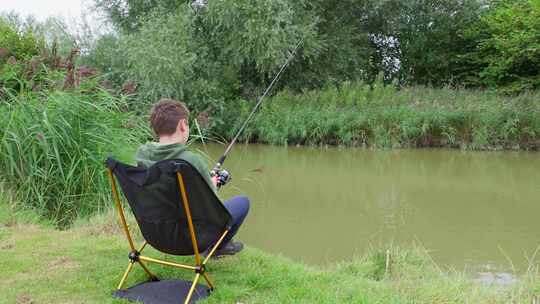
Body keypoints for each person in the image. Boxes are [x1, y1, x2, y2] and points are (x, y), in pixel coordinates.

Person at [135, 98, 249, 257]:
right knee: (243, 202)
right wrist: (213, 184)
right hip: (189, 240)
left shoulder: (142, 154)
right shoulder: (190, 161)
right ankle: (218, 248)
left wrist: (204, 181)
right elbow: (213, 204)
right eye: (187, 124)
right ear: (182, 125)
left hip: (155, 234)